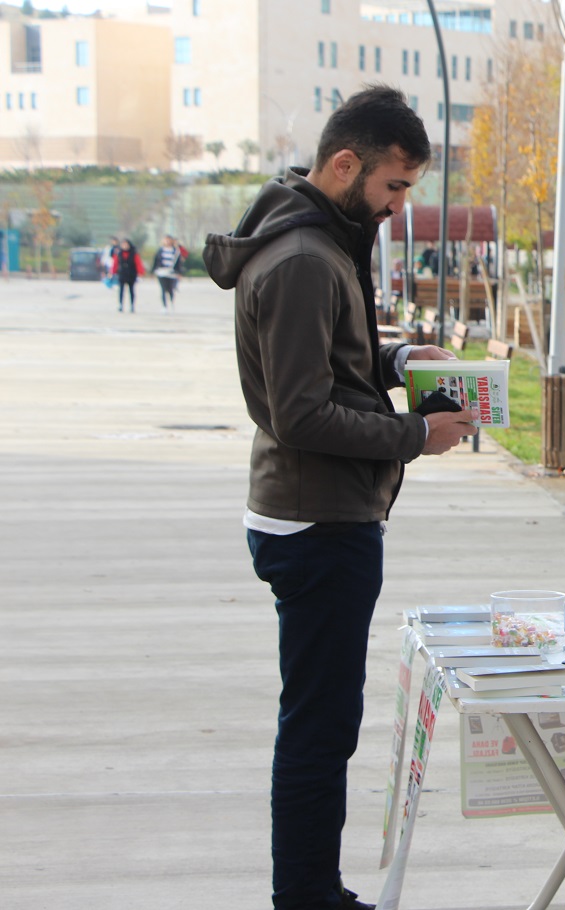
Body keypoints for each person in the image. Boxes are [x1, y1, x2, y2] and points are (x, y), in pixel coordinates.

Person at [204, 85, 476, 910]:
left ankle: (311, 888)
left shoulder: (317, 239)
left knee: (322, 723)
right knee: (320, 731)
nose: (397, 208)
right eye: (394, 187)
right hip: (316, 522)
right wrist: (411, 436)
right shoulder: (302, 260)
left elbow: (327, 363)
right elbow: (301, 413)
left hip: (320, 514)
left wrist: (394, 361)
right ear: (347, 164)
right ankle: (310, 895)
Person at [152, 234, 183, 311]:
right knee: (163, 289)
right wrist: (153, 271)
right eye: (166, 240)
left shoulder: (176, 251)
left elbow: (179, 263)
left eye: (169, 240)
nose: (167, 241)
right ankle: (164, 306)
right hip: (161, 272)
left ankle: (172, 302)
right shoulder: (160, 250)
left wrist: (179, 273)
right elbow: (155, 261)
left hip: (172, 273)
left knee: (170, 289)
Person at [114, 238, 143, 313]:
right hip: (122, 273)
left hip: (131, 274)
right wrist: (112, 272)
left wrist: (140, 272)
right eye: (123, 244)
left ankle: (132, 305)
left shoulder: (134, 253)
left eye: (126, 244)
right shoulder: (119, 253)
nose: (125, 246)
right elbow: (115, 263)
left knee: (131, 290)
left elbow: (138, 263)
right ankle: (120, 304)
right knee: (121, 290)